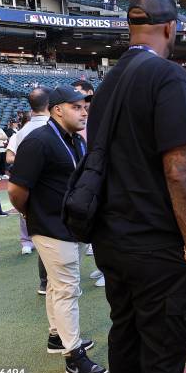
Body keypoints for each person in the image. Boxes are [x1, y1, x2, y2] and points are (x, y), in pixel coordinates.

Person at [87, 0, 186, 373]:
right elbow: (180, 170)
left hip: (111, 240)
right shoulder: (169, 74)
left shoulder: (107, 81)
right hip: (156, 245)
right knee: (163, 356)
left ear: (129, 25)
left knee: (125, 335)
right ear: (171, 27)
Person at [8, 86, 106, 373]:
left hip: (70, 226)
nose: (84, 111)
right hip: (51, 227)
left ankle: (57, 337)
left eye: (85, 106)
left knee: (56, 286)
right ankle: (74, 357)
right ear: (58, 109)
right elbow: (15, 191)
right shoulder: (38, 140)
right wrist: (32, 215)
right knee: (66, 289)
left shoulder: (74, 139)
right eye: (77, 107)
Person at [6, 88, 51, 295]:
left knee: (41, 237)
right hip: (49, 190)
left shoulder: (22, 131)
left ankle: (44, 281)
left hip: (28, 188)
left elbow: (10, 157)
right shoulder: (54, 127)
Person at [70, 79, 102, 287]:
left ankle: (107, 271)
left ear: (90, 93)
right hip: (86, 177)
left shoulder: (100, 113)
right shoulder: (80, 117)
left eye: (80, 93)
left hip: (100, 176)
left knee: (103, 226)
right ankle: (102, 268)